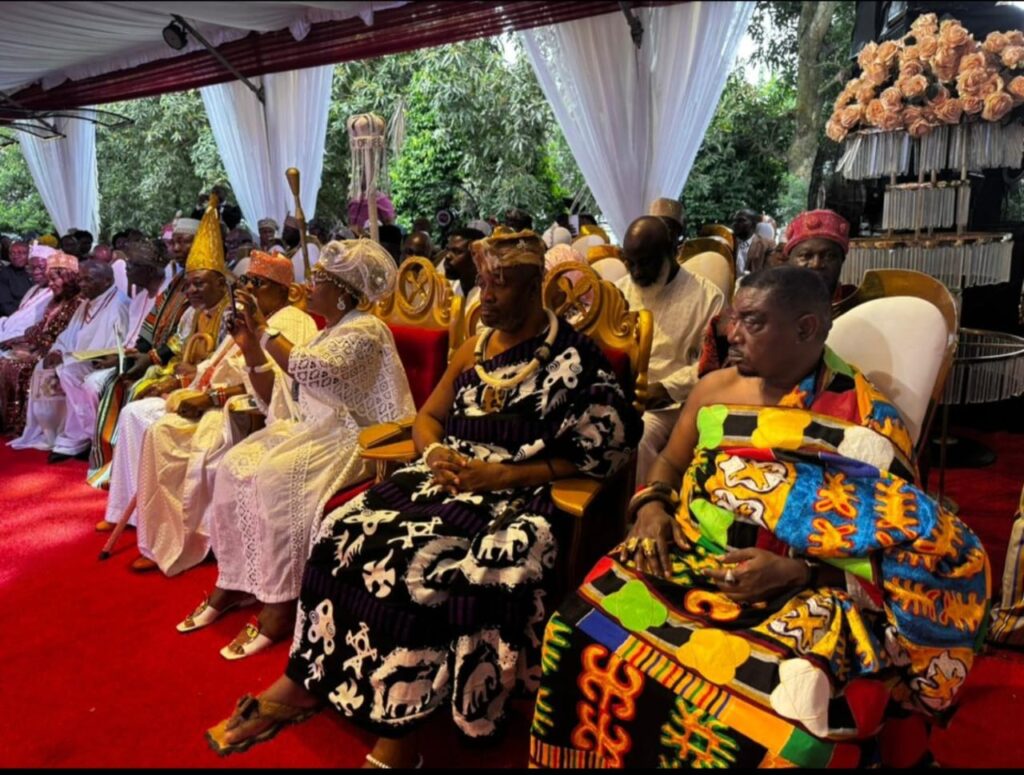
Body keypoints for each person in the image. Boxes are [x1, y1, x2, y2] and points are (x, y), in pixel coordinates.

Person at [202, 229, 641, 765]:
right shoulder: (475, 347)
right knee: (342, 527)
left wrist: (499, 477)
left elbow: (609, 446)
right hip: (446, 473)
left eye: (500, 286)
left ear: (535, 288)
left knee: (422, 567)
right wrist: (434, 457)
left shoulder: (574, 356)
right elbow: (429, 418)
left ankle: (401, 729)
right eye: (484, 284)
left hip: (520, 493)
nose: (487, 297)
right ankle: (306, 679)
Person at [528, 266, 990, 768]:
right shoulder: (714, 389)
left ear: (806, 329)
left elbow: (904, 550)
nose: (731, 334)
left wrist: (801, 572)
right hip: (690, 553)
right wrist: (653, 506)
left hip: (809, 590)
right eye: (733, 319)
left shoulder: (866, 424)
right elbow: (669, 462)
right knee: (575, 627)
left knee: (785, 710)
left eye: (752, 321)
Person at [186, 239, 414, 657]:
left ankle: (280, 602)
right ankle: (234, 581)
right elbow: (280, 395)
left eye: (318, 281)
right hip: (310, 431)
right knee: (234, 465)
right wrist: (251, 348)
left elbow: (310, 370)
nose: (308, 288)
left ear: (343, 290)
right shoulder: (329, 331)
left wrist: (262, 330)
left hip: (359, 439)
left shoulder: (366, 329)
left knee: (274, 477)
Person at [129, 251, 317, 576]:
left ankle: (195, 539)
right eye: (246, 281)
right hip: (212, 399)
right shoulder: (247, 315)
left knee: (168, 436)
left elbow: (285, 387)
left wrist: (213, 397)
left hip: (246, 410)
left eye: (257, 283)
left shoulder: (297, 322)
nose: (249, 289)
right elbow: (214, 362)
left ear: (282, 288)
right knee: (156, 428)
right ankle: (162, 538)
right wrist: (188, 385)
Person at [97, 199, 231, 530]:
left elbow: (225, 362)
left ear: (221, 283)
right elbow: (180, 343)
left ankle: (155, 513)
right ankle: (121, 510)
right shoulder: (194, 311)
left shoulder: (232, 313)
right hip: (187, 381)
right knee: (130, 410)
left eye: (201, 284)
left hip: (212, 394)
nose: (193, 290)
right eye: (191, 285)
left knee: (139, 407)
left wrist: (183, 374)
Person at [87, 221, 198, 486]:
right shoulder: (179, 281)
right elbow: (152, 326)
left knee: (136, 388)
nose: (177, 248)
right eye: (175, 242)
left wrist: (150, 359)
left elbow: (184, 336)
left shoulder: (206, 280)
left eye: (185, 242)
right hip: (164, 358)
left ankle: (139, 475)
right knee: (117, 380)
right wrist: (139, 356)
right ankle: (120, 469)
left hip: (187, 363)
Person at [617, 216, 724, 483]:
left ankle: (639, 514)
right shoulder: (618, 291)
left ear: (672, 252)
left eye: (646, 262)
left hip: (670, 404)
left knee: (638, 436)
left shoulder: (707, 297)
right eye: (630, 263)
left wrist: (665, 388)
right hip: (619, 394)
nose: (637, 272)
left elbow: (712, 365)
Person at [698, 209, 854, 378]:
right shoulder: (759, 306)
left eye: (829, 256)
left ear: (842, 260)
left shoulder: (859, 304)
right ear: (789, 260)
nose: (816, 264)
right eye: (806, 256)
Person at [11, 260, 128, 461]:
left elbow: (121, 345)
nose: (82, 284)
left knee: (70, 373)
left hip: (103, 365)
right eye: (80, 279)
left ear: (107, 280)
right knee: (44, 367)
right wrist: (57, 351)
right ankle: (51, 431)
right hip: (78, 361)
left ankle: (83, 437)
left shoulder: (119, 304)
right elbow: (68, 335)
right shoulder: (86, 304)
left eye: (88, 280)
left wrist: (85, 358)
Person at [0, 252, 82, 434]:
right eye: (49, 280)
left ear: (69, 278)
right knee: (5, 362)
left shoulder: (78, 303)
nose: (51, 285)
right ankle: (8, 422)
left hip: (58, 352)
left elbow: (63, 335)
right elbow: (42, 327)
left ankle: (24, 425)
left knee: (16, 366)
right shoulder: (56, 300)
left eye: (55, 280)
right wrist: (21, 340)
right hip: (41, 347)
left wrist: (33, 348)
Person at [0, 245, 55, 343]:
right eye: (32, 268)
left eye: (41, 267)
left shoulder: (55, 292)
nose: (36, 272)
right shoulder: (34, 289)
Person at [440, 226, 485, 304]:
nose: (447, 256)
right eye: (447, 250)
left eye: (457, 251)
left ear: (476, 257)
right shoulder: (447, 289)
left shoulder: (487, 297)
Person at [732, 208, 773, 276]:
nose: (736, 224)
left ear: (754, 224)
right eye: (735, 220)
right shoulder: (728, 242)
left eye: (741, 220)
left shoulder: (766, 245)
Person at [282, 214, 320, 284]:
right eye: (284, 230)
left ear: (298, 233)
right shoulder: (290, 249)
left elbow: (310, 277)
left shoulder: (309, 248)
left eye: (287, 230)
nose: (283, 233)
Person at [0, 240, 33, 316]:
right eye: (12, 253)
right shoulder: (4, 275)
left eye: (21, 253)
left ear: (29, 254)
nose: (16, 256)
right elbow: (6, 305)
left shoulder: (36, 273)